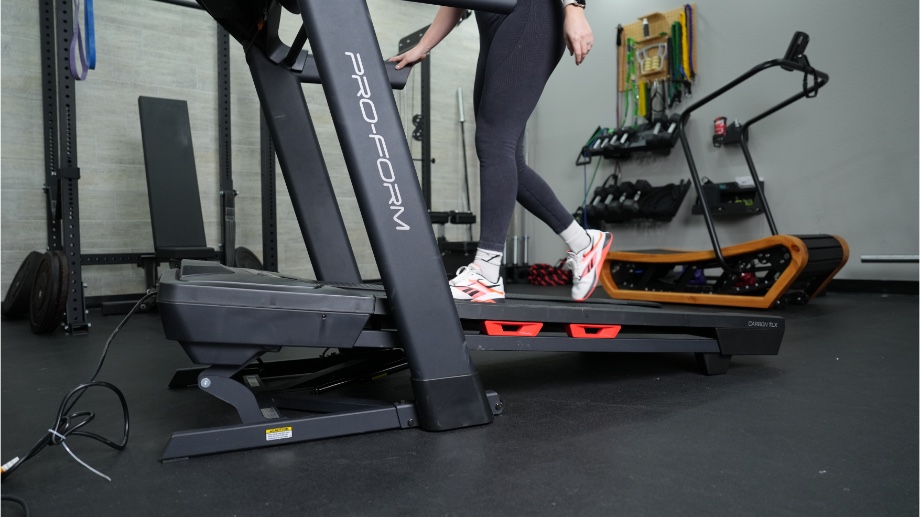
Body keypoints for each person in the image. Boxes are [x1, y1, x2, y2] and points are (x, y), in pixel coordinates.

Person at [390, 0, 612, 303]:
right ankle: (582, 242)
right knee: (504, 155)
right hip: (494, 21)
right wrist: (423, 46)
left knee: (495, 144)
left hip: (532, 11)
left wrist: (574, 8)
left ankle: (487, 271)